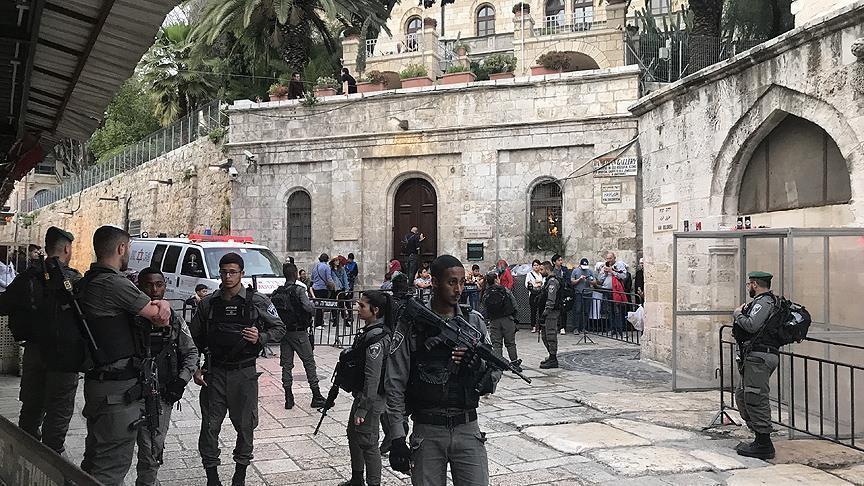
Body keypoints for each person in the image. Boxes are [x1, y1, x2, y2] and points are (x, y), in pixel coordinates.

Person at [385, 255, 500, 485]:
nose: (458, 289)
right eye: (451, 282)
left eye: (462, 282)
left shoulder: (473, 322)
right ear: (435, 282)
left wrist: (476, 366)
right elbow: (395, 381)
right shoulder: (412, 323)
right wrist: (397, 436)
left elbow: (494, 372)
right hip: (428, 429)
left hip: (467, 427)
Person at [76, 225, 172, 485]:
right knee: (111, 467)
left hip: (98, 383)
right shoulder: (113, 283)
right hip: (116, 392)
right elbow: (160, 318)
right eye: (128, 248)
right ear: (121, 248)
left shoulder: (86, 281)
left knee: (95, 458)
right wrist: (163, 304)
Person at [190, 252, 286, 486]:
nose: (228, 277)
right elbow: (193, 339)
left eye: (233, 272)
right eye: (224, 272)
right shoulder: (208, 304)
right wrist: (195, 367)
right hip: (214, 373)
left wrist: (260, 337)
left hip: (244, 374)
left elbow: (280, 328)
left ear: (242, 273)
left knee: (245, 426)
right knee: (209, 427)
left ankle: (239, 475)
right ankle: (212, 477)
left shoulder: (257, 301)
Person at [0, 227, 81, 455]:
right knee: (58, 412)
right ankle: (52, 461)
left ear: (46, 248)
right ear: (67, 248)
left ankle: (27, 458)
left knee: (31, 409)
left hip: (34, 352)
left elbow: (3, 305)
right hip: (64, 357)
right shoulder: (74, 279)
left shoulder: (27, 277)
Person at [134, 267, 199, 486]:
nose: (154, 290)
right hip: (129, 393)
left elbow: (191, 352)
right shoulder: (129, 316)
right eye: (148, 285)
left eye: (159, 284)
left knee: (152, 449)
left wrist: (181, 381)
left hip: (159, 395)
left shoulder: (174, 319)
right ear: (139, 287)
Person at [341, 290, 392, 486]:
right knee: (354, 434)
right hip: (363, 395)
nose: (358, 308)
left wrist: (363, 407)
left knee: (368, 442)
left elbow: (373, 377)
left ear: (375, 310)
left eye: (362, 305)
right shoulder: (370, 332)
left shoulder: (376, 339)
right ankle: (357, 478)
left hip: (371, 397)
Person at [732, 271, 781, 460]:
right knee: (742, 395)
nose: (748, 288)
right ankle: (758, 435)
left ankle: (764, 443)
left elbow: (752, 325)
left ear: (754, 284)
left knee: (755, 397)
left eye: (749, 284)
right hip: (754, 356)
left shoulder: (764, 302)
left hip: (760, 357)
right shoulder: (762, 302)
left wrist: (737, 314)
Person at [270, 262, 325, 410]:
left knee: (286, 365)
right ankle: (316, 395)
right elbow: (308, 307)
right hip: (299, 332)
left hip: (285, 333)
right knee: (309, 362)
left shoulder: (277, 292)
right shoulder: (299, 290)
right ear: (295, 274)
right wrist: (312, 308)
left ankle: (288, 397)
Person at [482, 272, 520, 370]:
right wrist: (514, 317)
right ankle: (515, 363)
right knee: (510, 343)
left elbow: (484, 307)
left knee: (496, 344)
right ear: (496, 280)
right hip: (507, 319)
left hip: (494, 321)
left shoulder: (486, 293)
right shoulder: (504, 290)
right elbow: (514, 304)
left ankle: (499, 364)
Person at [596, 252, 628, 336]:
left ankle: (620, 330)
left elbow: (624, 276)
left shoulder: (619, 265)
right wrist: (605, 273)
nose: (609, 260)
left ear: (614, 258)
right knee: (609, 311)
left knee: (618, 311)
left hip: (616, 291)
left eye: (610, 258)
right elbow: (600, 280)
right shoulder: (605, 265)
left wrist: (612, 271)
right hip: (607, 291)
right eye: (607, 258)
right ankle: (612, 328)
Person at [538, 261, 561, 369]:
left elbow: (551, 300)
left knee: (550, 335)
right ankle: (551, 355)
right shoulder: (547, 281)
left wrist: (546, 312)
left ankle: (553, 358)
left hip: (551, 312)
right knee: (544, 335)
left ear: (547, 269)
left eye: (542, 269)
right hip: (546, 311)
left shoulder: (552, 282)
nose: (540, 271)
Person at [568, 258, 595, 334]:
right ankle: (576, 327)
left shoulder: (590, 271)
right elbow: (572, 282)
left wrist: (589, 280)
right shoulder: (575, 271)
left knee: (586, 311)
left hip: (588, 293)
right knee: (578, 310)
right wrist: (579, 279)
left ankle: (584, 327)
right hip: (578, 293)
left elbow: (594, 282)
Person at [311, 253, 336, 328]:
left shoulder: (315, 266)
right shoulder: (326, 267)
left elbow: (312, 277)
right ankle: (318, 324)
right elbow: (329, 278)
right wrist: (333, 285)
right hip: (323, 288)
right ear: (327, 259)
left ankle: (320, 321)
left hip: (315, 288)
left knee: (319, 305)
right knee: (321, 306)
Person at [525, 259, 544, 333]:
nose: (536, 267)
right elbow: (527, 284)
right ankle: (533, 326)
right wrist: (535, 284)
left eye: (537, 265)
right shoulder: (529, 274)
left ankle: (540, 327)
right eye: (534, 265)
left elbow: (543, 283)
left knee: (541, 311)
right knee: (533, 311)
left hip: (541, 294)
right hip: (533, 294)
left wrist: (539, 283)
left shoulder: (541, 274)